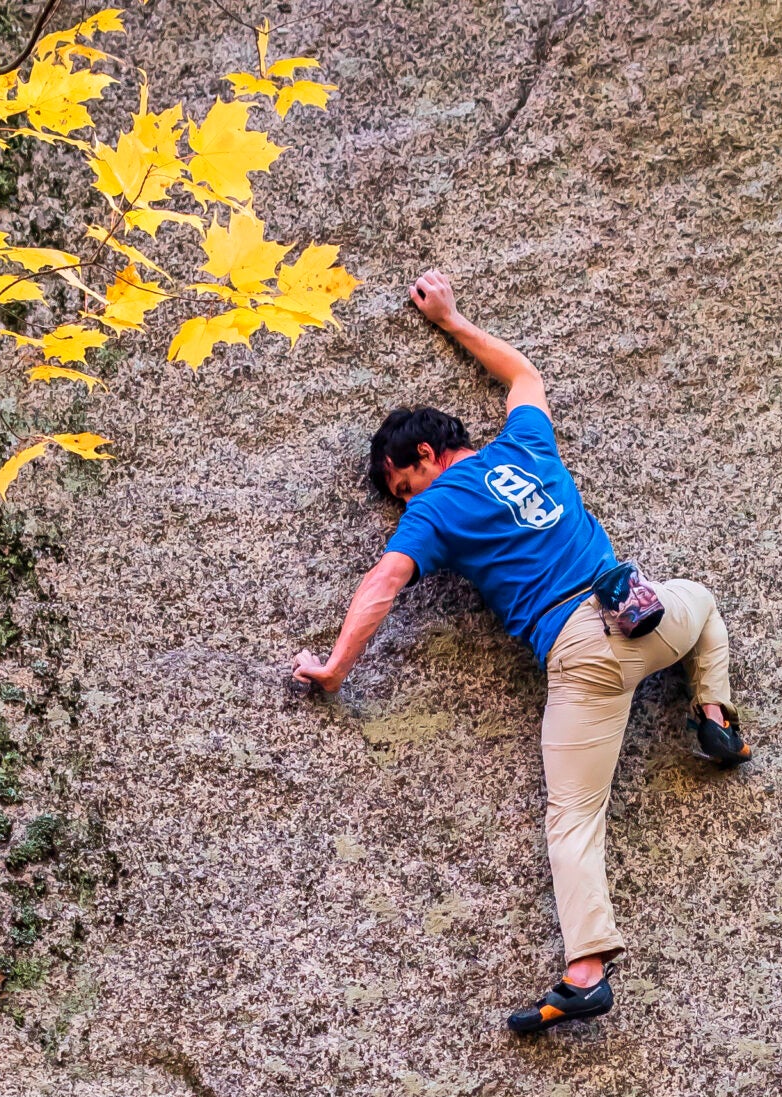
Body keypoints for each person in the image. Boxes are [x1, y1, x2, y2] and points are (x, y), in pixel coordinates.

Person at [293, 270, 752, 1035]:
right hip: (648, 613)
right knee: (702, 601)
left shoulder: (437, 506)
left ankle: (586, 971)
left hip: (582, 656)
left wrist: (337, 666)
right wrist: (452, 318)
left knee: (573, 817)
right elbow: (525, 375)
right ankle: (714, 713)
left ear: (429, 456)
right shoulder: (528, 444)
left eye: (400, 483)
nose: (403, 500)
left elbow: (383, 583)